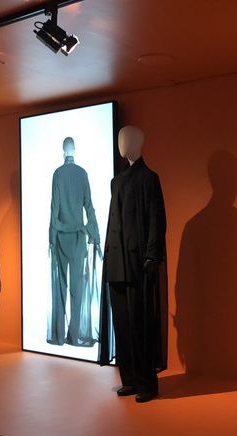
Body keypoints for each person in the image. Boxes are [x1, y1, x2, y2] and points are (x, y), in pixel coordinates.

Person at [98, 125, 168, 403]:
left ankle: (146, 382)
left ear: (140, 142)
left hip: (138, 263)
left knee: (140, 324)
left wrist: (151, 256)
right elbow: (112, 222)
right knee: (123, 324)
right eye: (120, 139)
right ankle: (129, 379)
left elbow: (157, 220)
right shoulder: (116, 181)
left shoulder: (150, 179)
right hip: (118, 263)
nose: (121, 143)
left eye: (126, 139)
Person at [48, 137, 100, 346]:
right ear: (74, 150)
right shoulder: (82, 173)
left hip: (62, 238)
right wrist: (95, 235)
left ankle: (60, 335)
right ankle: (74, 334)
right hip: (78, 239)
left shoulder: (58, 174)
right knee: (77, 288)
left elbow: (54, 208)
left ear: (63, 151)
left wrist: (51, 238)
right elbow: (89, 206)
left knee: (60, 286)